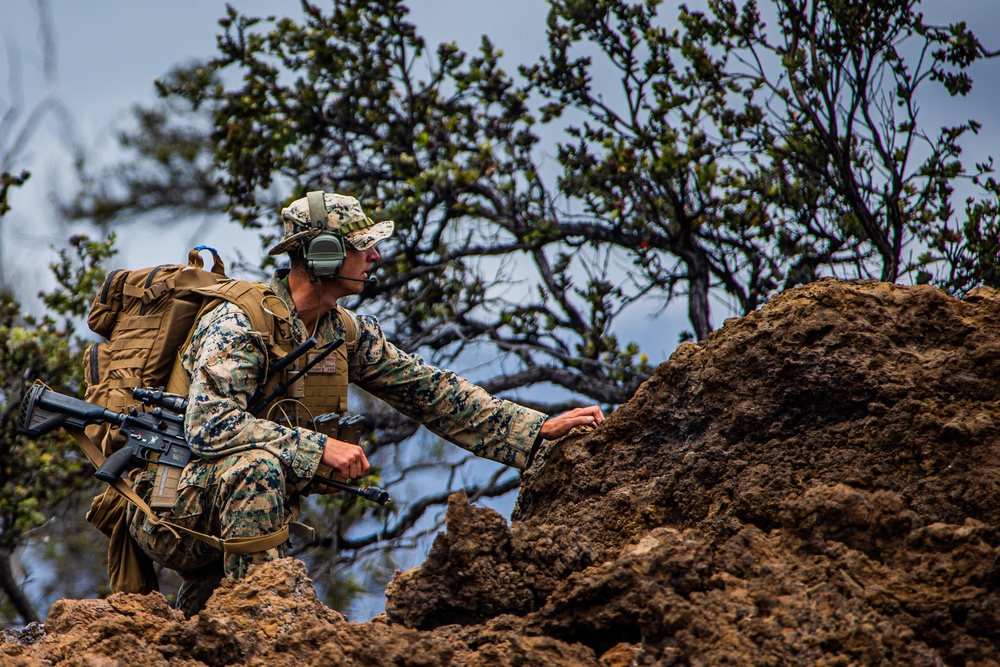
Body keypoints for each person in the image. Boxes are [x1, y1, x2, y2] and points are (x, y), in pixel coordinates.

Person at [128, 191, 605, 615]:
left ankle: (212, 625)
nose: (375, 255)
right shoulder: (240, 324)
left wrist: (533, 429)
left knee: (193, 634)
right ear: (323, 254)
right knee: (257, 469)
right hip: (169, 506)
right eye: (362, 246)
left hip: (232, 506)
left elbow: (433, 392)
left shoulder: (340, 330)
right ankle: (262, 625)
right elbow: (210, 425)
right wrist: (317, 448)